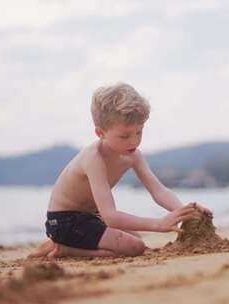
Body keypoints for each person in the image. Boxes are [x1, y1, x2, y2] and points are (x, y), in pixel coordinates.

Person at [28, 82, 213, 258]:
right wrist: (159, 223)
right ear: (101, 133)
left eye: (139, 132)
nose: (134, 141)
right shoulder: (94, 159)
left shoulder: (133, 155)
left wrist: (185, 210)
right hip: (64, 222)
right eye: (124, 136)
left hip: (91, 218)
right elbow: (111, 217)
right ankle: (66, 249)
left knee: (136, 239)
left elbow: (159, 190)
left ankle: (67, 244)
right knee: (135, 247)